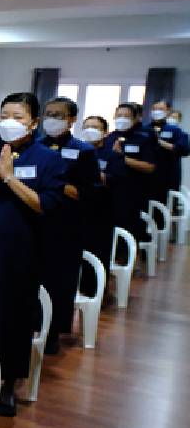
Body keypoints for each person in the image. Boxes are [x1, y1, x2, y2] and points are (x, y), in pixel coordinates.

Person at [0, 92, 64, 417]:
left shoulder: (47, 158)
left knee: (15, 316)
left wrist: (10, 179)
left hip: (24, 249)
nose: (9, 121)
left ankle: (8, 386)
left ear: (33, 123)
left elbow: (45, 204)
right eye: (5, 114)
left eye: (17, 117)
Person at [38, 97, 99, 353]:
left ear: (72, 119)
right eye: (48, 113)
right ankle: (33, 326)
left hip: (66, 226)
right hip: (37, 221)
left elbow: (89, 192)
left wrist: (56, 185)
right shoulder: (36, 146)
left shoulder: (83, 151)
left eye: (58, 115)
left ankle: (53, 332)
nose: (52, 119)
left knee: (59, 281)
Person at [78, 115, 122, 295]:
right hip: (78, 209)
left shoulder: (112, 155)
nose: (90, 130)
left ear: (105, 133)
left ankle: (95, 293)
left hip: (101, 212)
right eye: (87, 126)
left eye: (95, 127)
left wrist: (91, 171)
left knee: (97, 252)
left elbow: (113, 180)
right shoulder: (77, 150)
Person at [103, 102, 157, 241]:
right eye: (119, 115)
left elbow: (149, 167)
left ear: (135, 118)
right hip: (110, 189)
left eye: (126, 116)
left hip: (134, 191)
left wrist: (122, 157)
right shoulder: (109, 137)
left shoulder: (144, 138)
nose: (122, 119)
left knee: (130, 229)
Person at [146, 100, 189, 201]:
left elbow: (184, 150)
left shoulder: (175, 130)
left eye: (160, 109)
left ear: (168, 111)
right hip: (147, 177)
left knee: (166, 208)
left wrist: (161, 142)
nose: (156, 112)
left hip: (169, 177)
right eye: (154, 109)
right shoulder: (144, 129)